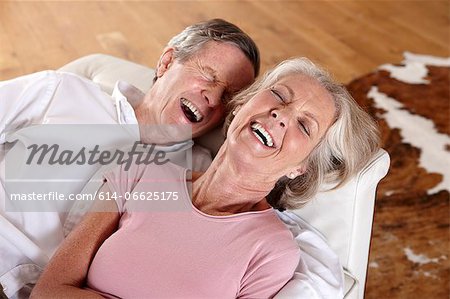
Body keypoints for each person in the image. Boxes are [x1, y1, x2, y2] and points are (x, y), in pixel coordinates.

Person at [31, 58, 380, 298]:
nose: (281, 115)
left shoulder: (273, 252)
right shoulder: (140, 172)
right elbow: (48, 291)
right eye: (278, 96)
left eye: (304, 125)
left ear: (300, 167)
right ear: (243, 105)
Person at [0, 19, 259, 297]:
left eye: (227, 97)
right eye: (209, 76)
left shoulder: (199, 178)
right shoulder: (60, 92)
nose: (212, 98)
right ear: (167, 62)